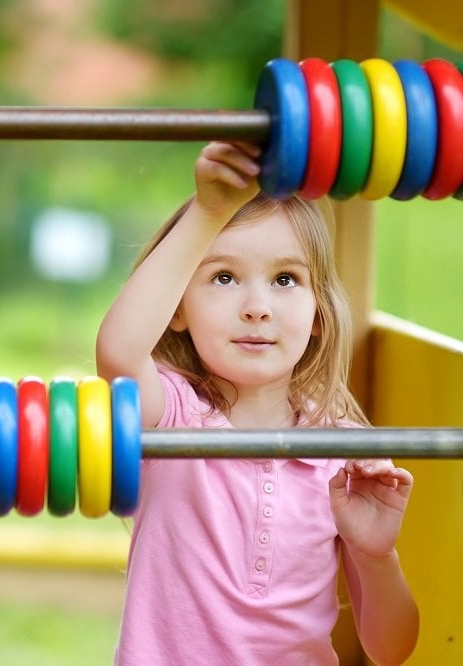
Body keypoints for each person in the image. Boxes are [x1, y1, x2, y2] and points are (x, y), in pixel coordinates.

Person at [95, 142, 418, 665]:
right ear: (177, 309)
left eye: (285, 280)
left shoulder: (345, 455)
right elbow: (118, 351)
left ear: (317, 314)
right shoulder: (170, 417)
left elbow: (392, 649)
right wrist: (209, 211)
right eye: (223, 278)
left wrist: (377, 555)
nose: (257, 309)